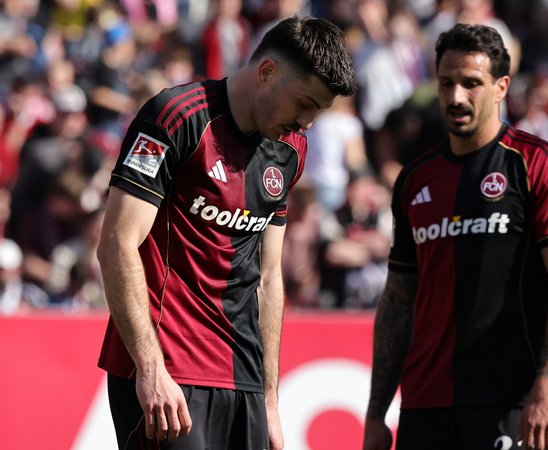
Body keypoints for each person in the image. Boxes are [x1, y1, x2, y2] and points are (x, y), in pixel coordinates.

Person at [96, 16, 355, 450]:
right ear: (267, 72)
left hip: (242, 375)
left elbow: (269, 276)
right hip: (167, 369)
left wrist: (270, 399)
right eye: (305, 103)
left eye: (318, 110)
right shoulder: (177, 116)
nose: (308, 121)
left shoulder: (291, 148)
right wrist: (150, 368)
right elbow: (117, 243)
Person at [363, 24, 548, 450]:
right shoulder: (415, 179)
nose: (456, 97)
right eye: (446, 83)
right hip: (423, 408)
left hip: (508, 402)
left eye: (472, 83)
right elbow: (398, 299)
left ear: (501, 86)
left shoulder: (537, 164)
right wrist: (377, 413)